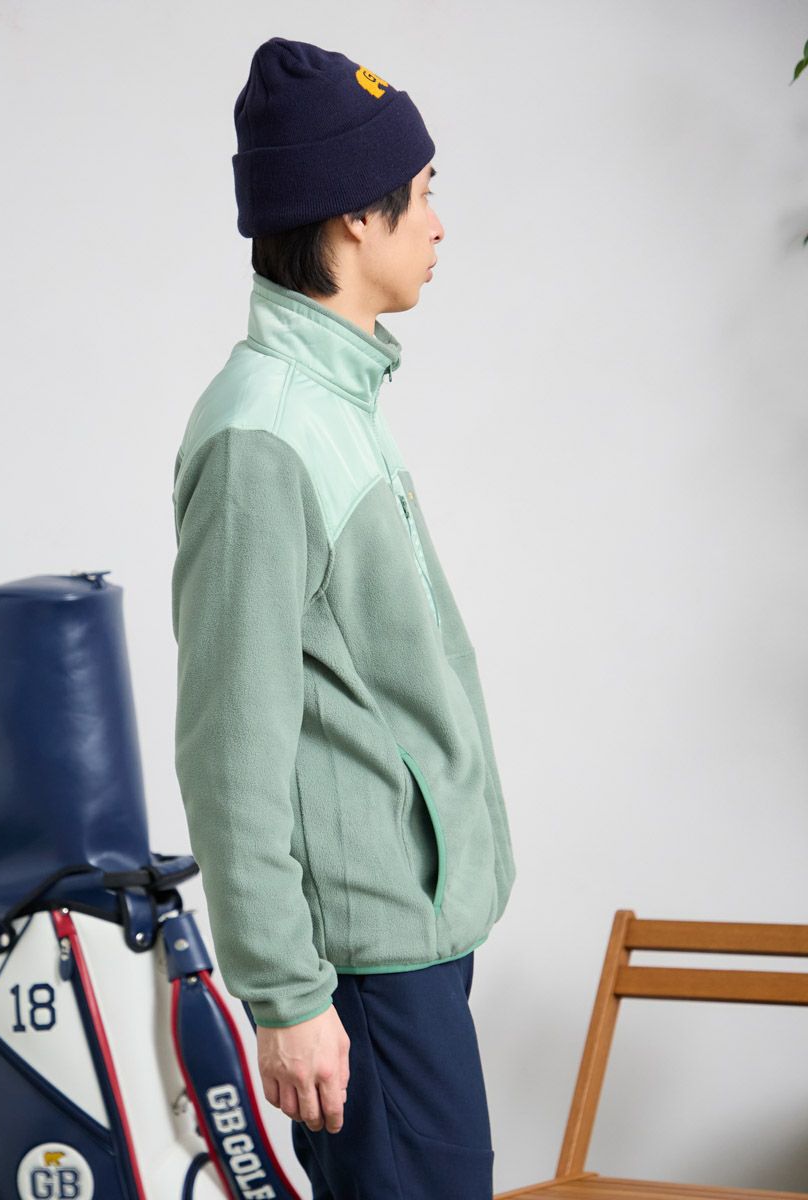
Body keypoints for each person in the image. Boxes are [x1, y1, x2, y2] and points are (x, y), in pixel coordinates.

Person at [170, 36, 516, 1199]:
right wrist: (285, 995)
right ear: (355, 217)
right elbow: (231, 743)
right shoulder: (264, 431)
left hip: (411, 941)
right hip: (362, 967)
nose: (439, 224)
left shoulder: (333, 403)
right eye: (423, 192)